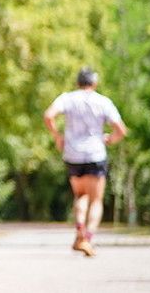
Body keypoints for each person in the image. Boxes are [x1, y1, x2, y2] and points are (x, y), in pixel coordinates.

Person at [43, 67, 127, 257]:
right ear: (95, 83)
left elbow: (48, 116)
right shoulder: (103, 101)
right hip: (96, 155)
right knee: (96, 200)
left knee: (80, 195)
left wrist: (58, 137)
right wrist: (109, 139)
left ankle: (79, 231)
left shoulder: (68, 98)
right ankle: (87, 238)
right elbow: (121, 130)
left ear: (78, 82)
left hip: (73, 154)